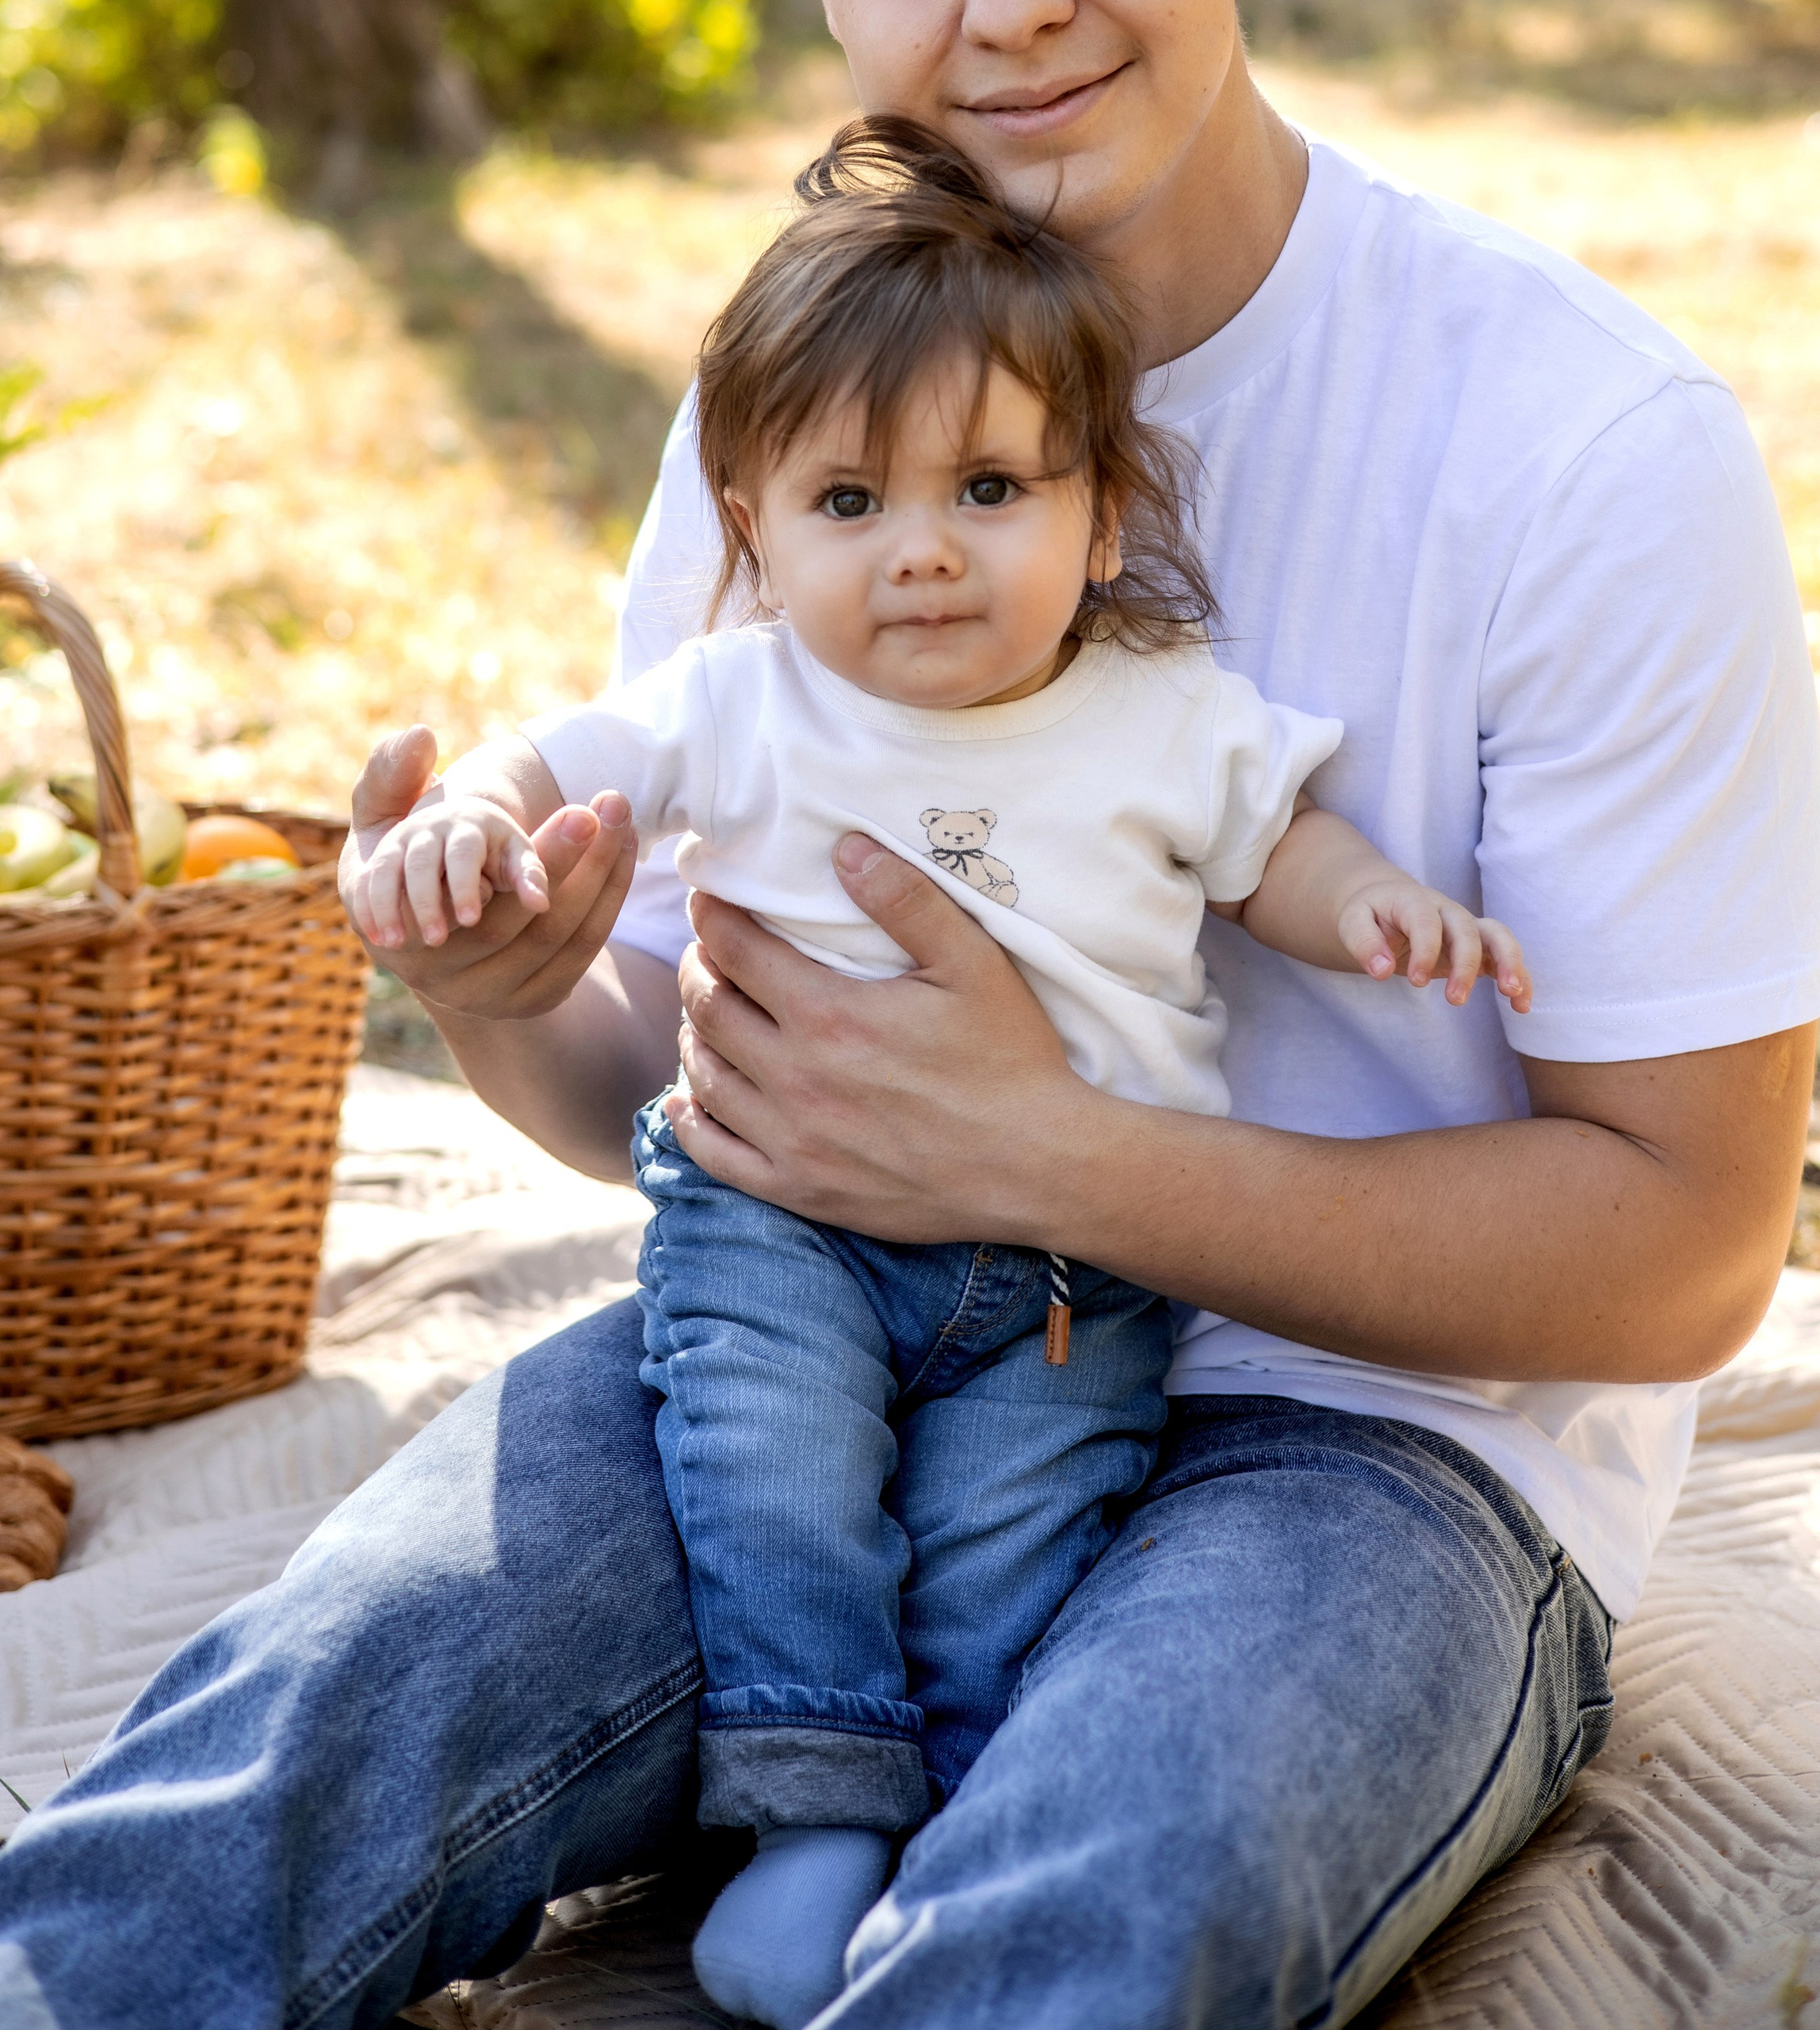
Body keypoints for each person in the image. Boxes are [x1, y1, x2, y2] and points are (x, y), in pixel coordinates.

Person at [0, 0, 1819, 2030]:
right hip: (824, 1336)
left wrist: (1053, 1159)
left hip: (1378, 1450)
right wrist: (509, 998)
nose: (1007, 7)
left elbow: (1683, 1250)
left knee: (1105, 1900)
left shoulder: (1583, 450)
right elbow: (682, 1081)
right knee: (299, 1733)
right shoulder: (801, 423)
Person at [347, 113, 1531, 2028]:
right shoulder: (745, 697)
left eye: (987, 489)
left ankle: (942, 1828)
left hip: (1075, 1271)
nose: (916, 556)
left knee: (1011, 1552)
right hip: (778, 1225)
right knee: (767, 1484)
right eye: (845, 507)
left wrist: (1383, 910)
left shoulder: (1158, 714)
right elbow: (549, 763)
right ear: (751, 529)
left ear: (1101, 519)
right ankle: (810, 1813)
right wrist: (459, 832)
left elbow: (1278, 855)